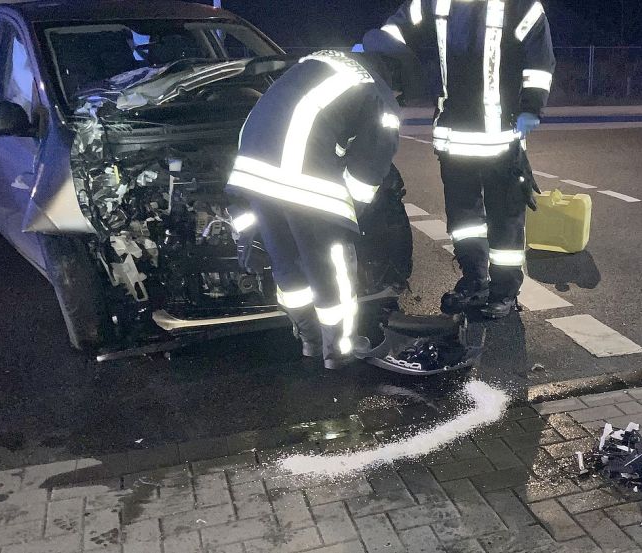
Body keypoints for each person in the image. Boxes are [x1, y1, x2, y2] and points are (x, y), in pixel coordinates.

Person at [228, 30, 419, 369]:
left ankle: (309, 340)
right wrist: (349, 215)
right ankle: (340, 350)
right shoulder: (377, 92)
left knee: (286, 260)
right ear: (397, 76)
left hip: (251, 169)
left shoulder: (321, 60)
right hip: (302, 178)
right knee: (332, 266)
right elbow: (369, 169)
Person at [380, 0, 556, 318]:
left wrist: (531, 104)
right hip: (455, 138)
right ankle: (475, 280)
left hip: (501, 140)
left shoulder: (520, 5)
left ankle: (504, 292)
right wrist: (374, 49)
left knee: (505, 222)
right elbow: (398, 28)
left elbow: (540, 61)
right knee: (465, 222)